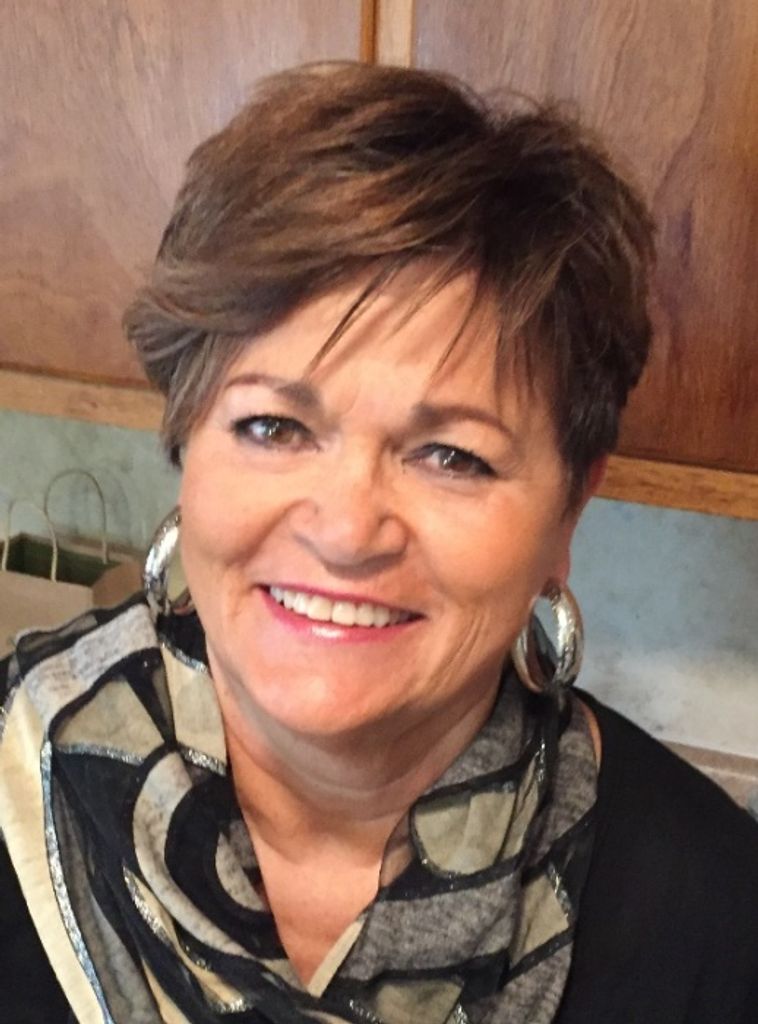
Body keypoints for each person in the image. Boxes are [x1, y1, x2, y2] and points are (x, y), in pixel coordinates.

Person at [1, 61, 756, 1024]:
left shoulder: (718, 918)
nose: (348, 530)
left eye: (452, 456)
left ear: (569, 511)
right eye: (274, 427)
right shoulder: (15, 776)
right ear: (187, 439)